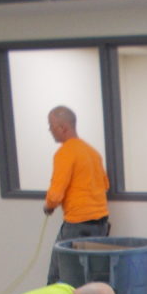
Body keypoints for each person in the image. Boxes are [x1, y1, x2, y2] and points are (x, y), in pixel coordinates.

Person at [44, 105, 111, 284]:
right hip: (101, 225)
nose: (50, 130)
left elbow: (55, 195)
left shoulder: (65, 153)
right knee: (93, 279)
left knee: (60, 277)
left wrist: (48, 206)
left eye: (51, 126)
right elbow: (105, 185)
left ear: (63, 127)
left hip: (77, 226)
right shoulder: (93, 153)